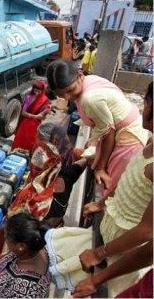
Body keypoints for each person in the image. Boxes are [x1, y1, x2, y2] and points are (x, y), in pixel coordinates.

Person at [45, 82, 153, 296]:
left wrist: (99, 257)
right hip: (108, 233)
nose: (142, 108)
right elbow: (128, 181)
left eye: (146, 102)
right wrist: (102, 203)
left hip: (122, 251)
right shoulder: (150, 141)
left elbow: (148, 232)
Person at [47, 59, 147, 198]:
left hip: (128, 140)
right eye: (61, 94)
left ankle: (101, 205)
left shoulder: (89, 98)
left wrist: (100, 168)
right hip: (129, 128)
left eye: (70, 90)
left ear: (80, 74)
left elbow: (108, 133)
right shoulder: (90, 79)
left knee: (111, 183)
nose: (67, 97)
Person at [0, 212, 51, 298]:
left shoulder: (23, 290)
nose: (5, 239)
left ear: (21, 246)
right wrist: (2, 262)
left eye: (6, 237)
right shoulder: (37, 246)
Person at [12, 79, 51, 151]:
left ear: (42, 91)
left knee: (31, 141)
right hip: (25, 123)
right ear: (33, 89)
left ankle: (28, 154)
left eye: (39, 91)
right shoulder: (29, 98)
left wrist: (46, 112)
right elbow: (23, 112)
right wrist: (35, 116)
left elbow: (43, 116)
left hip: (35, 125)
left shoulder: (45, 100)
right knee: (20, 139)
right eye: (35, 90)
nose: (37, 93)